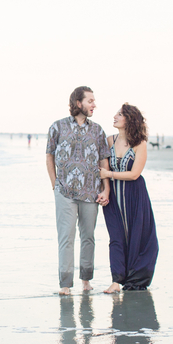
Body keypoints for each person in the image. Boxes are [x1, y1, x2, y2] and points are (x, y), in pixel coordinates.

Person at [46, 86, 111, 295]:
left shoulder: (98, 130)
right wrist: (54, 183)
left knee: (88, 236)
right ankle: (65, 284)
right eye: (90, 101)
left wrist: (106, 189)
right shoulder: (57, 127)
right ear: (78, 103)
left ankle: (86, 280)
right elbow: (49, 156)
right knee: (66, 236)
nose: (94, 105)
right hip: (64, 192)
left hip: (91, 192)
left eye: (94, 101)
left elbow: (104, 161)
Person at [99, 103, 159, 293]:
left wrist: (109, 175)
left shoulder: (139, 144)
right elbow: (102, 169)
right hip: (114, 197)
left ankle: (135, 279)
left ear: (129, 120)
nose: (115, 116)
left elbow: (134, 174)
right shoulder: (109, 140)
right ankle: (116, 281)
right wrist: (106, 187)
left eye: (119, 114)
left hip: (135, 195)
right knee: (116, 237)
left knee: (137, 236)